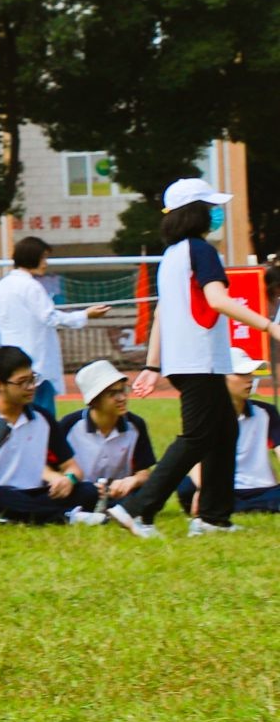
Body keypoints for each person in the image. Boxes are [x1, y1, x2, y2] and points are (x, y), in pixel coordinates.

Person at [126, 178, 280, 537]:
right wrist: (268, 326)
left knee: (224, 432)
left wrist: (152, 364)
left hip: (188, 362)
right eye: (211, 207)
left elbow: (162, 314)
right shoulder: (200, 251)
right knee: (197, 437)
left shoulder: (171, 257)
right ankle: (137, 509)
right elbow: (218, 300)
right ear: (194, 212)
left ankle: (213, 516)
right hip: (201, 361)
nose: (216, 214)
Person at [0, 345, 102, 526]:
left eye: (32, 379)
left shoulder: (43, 419)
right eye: (22, 382)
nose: (31, 387)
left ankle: (11, 517)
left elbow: (73, 469)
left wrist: (68, 480)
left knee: (88, 491)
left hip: (31, 492)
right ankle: (63, 516)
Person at [0, 236, 104, 421]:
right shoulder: (30, 286)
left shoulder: (1, 286)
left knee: (15, 414)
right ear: (32, 258)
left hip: (11, 361)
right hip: (37, 363)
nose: (46, 263)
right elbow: (50, 317)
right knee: (42, 417)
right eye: (43, 258)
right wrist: (85, 315)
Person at [53, 358, 161, 536]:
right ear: (94, 400)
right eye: (113, 393)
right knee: (84, 492)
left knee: (152, 489)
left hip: (120, 492)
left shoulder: (135, 425)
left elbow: (144, 473)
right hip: (82, 490)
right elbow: (53, 468)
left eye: (123, 390)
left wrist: (131, 481)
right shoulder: (69, 425)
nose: (122, 398)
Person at [176, 364, 279, 517]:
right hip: (221, 487)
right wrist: (201, 489)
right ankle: (241, 506)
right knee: (185, 487)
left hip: (261, 487)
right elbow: (195, 458)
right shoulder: (204, 414)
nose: (250, 380)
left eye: (250, 374)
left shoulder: (266, 412)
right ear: (220, 379)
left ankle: (231, 506)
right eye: (242, 374)